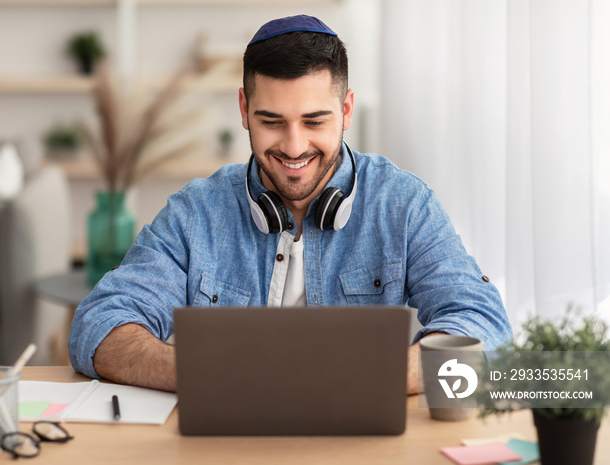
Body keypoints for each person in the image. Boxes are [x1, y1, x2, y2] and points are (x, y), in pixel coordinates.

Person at [69, 15, 512, 395]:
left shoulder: (404, 204)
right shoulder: (194, 213)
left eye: (315, 121)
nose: (294, 147)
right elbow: (99, 324)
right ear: (244, 110)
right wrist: (209, 375)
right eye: (271, 121)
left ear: (347, 110)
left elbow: (482, 323)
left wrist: (376, 375)